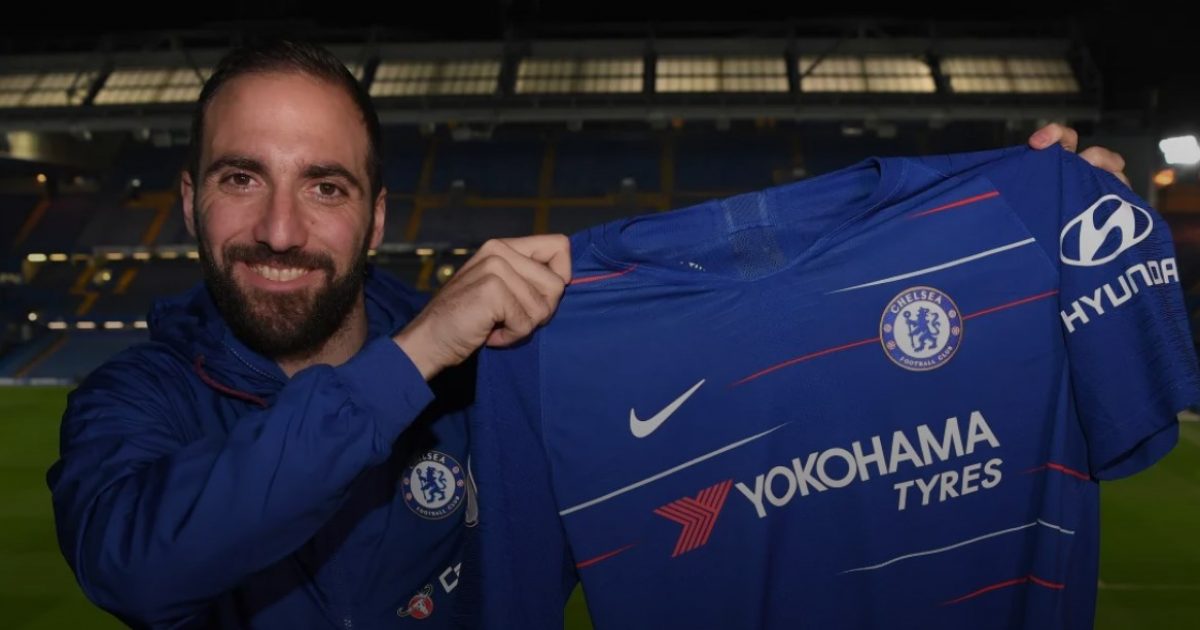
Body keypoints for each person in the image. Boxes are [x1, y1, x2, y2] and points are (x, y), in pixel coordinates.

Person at [44, 39, 1129, 628]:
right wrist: (412, 359)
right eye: (242, 179)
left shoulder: (507, 372)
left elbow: (784, 433)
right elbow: (142, 565)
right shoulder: (130, 406)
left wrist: (1018, 259)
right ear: (188, 202)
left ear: (375, 220)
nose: (281, 229)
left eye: (324, 186)